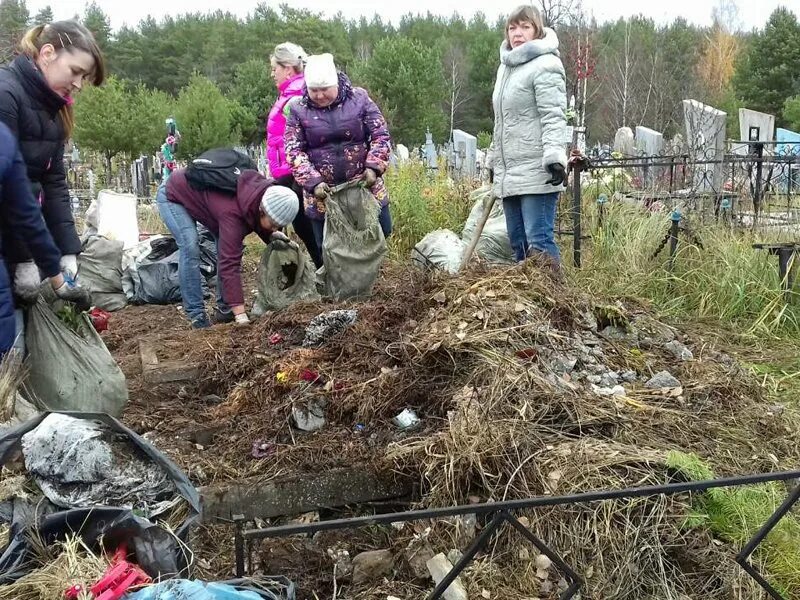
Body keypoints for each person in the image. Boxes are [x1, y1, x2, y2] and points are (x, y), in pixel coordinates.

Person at [0, 20, 105, 296]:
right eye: (76, 72)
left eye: (84, 77)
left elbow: (53, 182)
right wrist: (24, 259)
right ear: (47, 54)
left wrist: (67, 250)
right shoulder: (5, 95)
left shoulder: (53, 112)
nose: (79, 84)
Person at [157, 167, 299, 329]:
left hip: (210, 204)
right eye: (274, 225)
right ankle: (196, 315)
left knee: (227, 246)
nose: (275, 228)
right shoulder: (233, 214)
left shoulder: (260, 194)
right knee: (190, 245)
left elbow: (255, 218)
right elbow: (229, 263)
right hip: (174, 194)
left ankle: (225, 310)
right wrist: (241, 314)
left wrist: (272, 237)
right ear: (262, 211)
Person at [284, 53, 392, 252]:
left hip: (363, 184)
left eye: (324, 89)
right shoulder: (298, 110)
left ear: (336, 83)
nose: (319, 95)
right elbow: (293, 150)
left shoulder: (359, 99)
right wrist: (313, 182)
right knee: (329, 246)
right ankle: (338, 280)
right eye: (314, 90)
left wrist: (374, 167)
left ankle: (364, 274)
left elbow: (380, 134)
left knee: (383, 230)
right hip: (323, 195)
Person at [0, 122, 91, 355]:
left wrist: (60, 266)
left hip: (10, 254)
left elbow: (29, 210)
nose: (79, 84)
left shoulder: (9, 139)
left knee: (9, 347)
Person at [491, 5, 568, 266]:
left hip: (537, 171)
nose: (518, 33)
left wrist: (555, 157)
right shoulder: (505, 69)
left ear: (537, 30)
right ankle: (526, 307)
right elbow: (502, 122)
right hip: (511, 173)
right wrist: (494, 162)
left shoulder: (546, 64)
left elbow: (553, 115)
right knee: (518, 247)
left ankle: (557, 303)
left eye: (525, 27)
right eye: (513, 28)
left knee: (539, 244)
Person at [266, 42, 322, 268]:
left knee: (306, 224)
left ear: (288, 68)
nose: (272, 74)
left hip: (295, 170)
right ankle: (323, 270)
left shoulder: (296, 95)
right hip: (287, 170)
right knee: (304, 224)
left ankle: (325, 270)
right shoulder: (289, 93)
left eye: (274, 69)